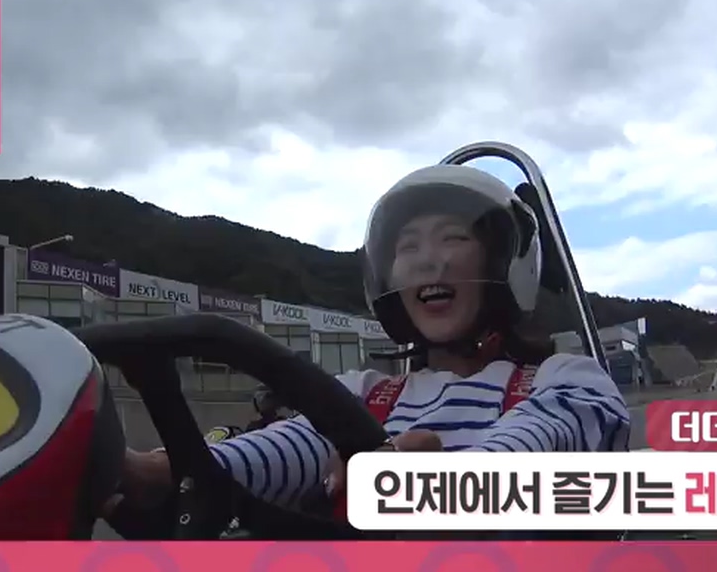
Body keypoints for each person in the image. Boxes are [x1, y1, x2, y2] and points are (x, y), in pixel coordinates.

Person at [111, 164, 631, 520]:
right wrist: (156, 471)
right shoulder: (365, 392)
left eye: (454, 238)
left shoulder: (565, 378)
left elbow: (551, 436)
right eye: (409, 246)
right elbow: (292, 446)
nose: (429, 260)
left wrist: (447, 488)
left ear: (504, 263)